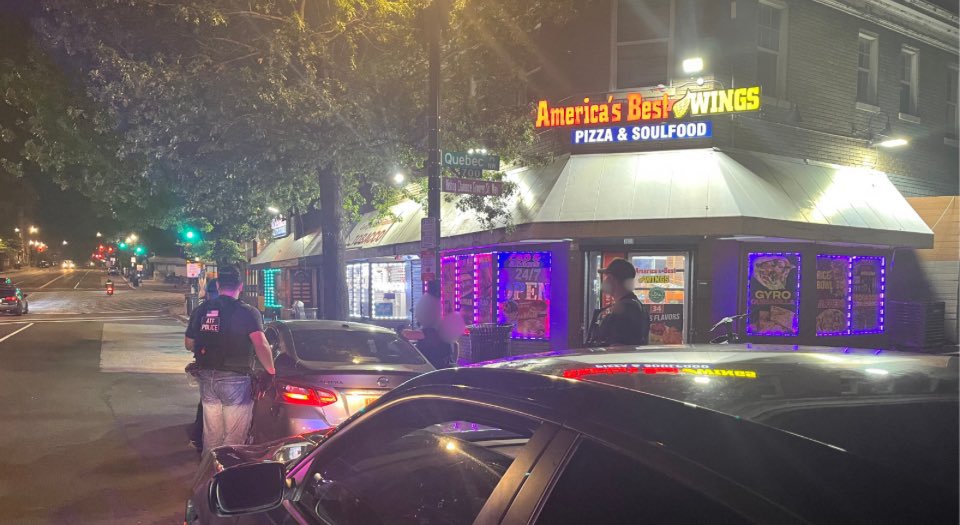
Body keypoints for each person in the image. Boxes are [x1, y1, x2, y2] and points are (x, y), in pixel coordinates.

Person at [184, 267, 275, 456]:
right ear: (240, 287)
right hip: (236, 379)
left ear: (218, 286)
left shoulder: (202, 309)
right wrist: (271, 372)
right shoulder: (247, 312)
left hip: (207, 378)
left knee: (211, 435)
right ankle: (226, 479)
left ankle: (208, 477)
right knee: (234, 438)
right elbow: (261, 344)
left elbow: (188, 343)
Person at [186, 277, 219, 452]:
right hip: (236, 372)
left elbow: (188, 343)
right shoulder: (240, 311)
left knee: (206, 406)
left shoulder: (199, 311)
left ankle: (200, 441)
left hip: (206, 368)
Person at [587, 258, 649, 346]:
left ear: (612, 279)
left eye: (605, 277)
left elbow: (619, 348)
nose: (603, 281)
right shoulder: (634, 305)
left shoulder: (626, 309)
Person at [414, 281, 456, 368]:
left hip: (432, 367)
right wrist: (453, 360)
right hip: (443, 366)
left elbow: (411, 334)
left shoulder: (428, 331)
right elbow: (456, 345)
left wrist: (401, 330)